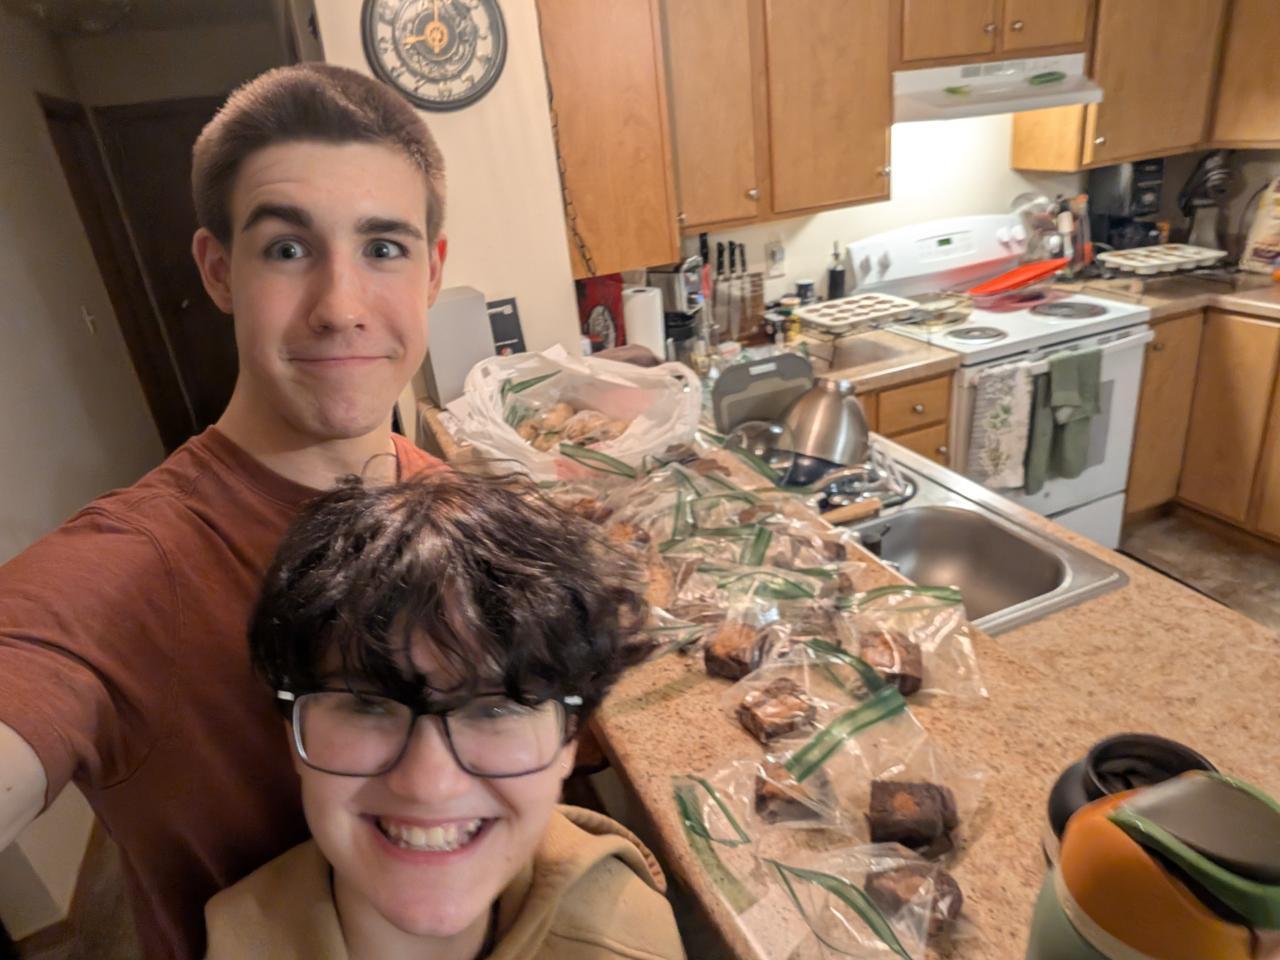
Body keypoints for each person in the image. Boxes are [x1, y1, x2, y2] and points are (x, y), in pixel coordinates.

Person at [0, 62, 449, 958]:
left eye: (383, 248)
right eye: (286, 249)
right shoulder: (127, 576)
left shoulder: (450, 501)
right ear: (218, 271)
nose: (341, 308)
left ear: (432, 270)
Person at [204, 471, 685, 959]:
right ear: (294, 733)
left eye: (496, 709)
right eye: (367, 704)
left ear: (570, 740)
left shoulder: (635, 940)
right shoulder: (220, 941)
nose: (429, 785)